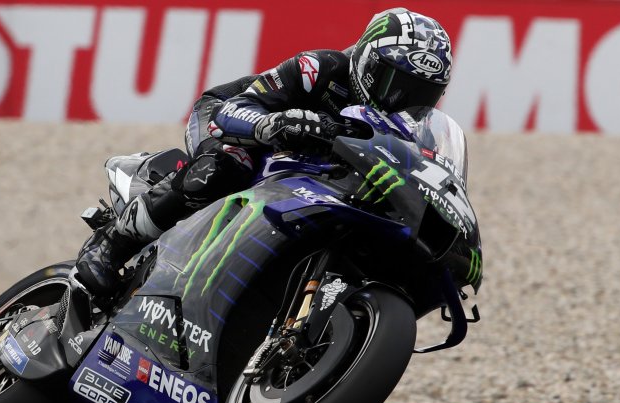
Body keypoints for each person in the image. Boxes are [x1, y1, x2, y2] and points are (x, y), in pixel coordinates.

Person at [73, 7, 453, 298]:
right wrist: (279, 124)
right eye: (396, 83)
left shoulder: (408, 132)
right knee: (228, 165)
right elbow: (228, 113)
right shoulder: (319, 69)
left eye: (422, 94)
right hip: (226, 115)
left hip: (299, 172)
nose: (402, 100)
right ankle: (111, 243)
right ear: (368, 63)